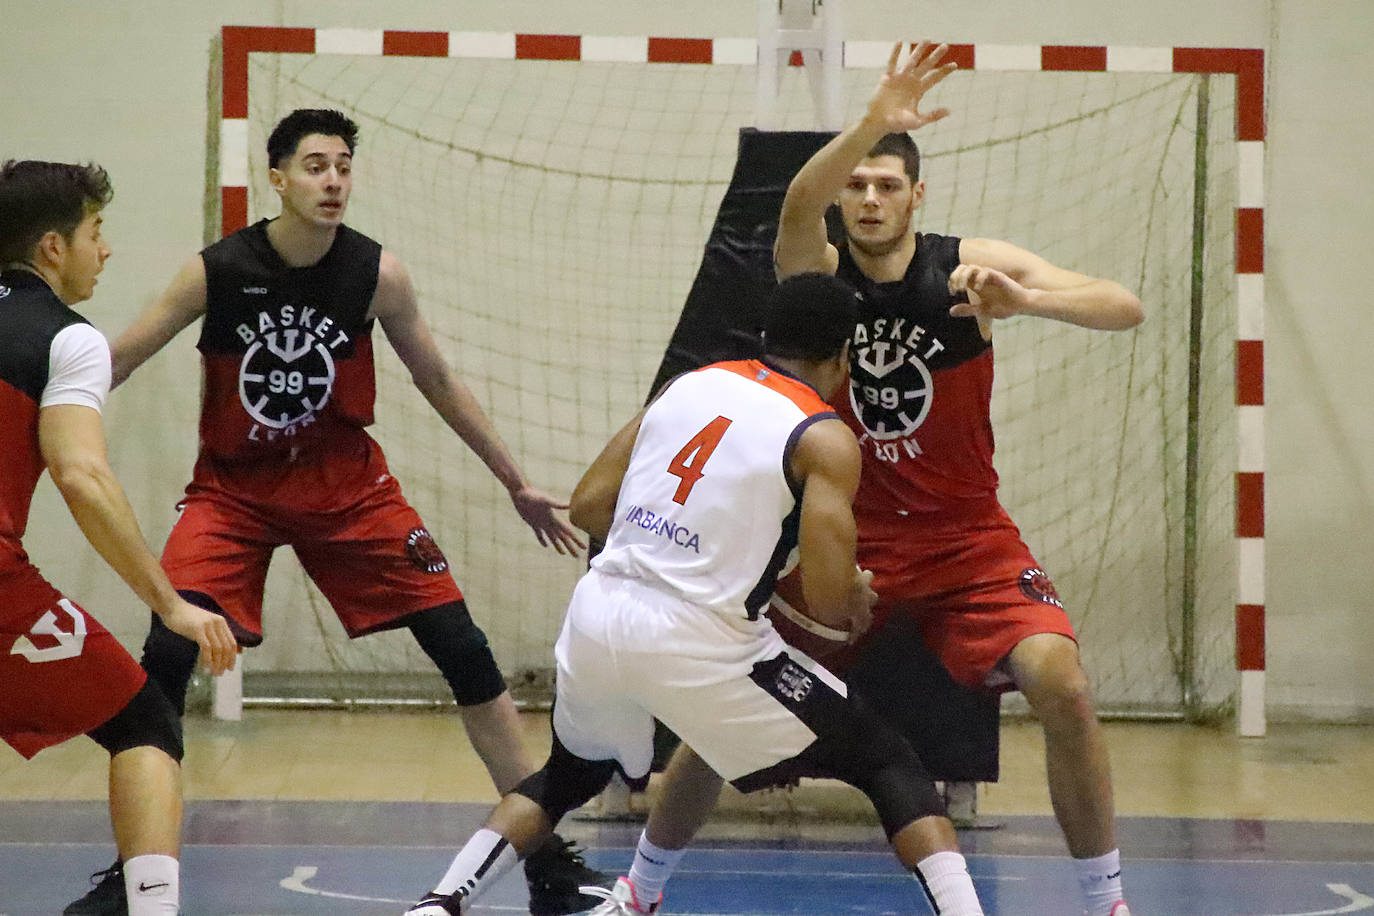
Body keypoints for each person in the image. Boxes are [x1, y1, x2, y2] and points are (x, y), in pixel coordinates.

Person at [633, 40, 1146, 916]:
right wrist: (874, 118)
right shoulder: (819, 273)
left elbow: (1121, 304)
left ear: (918, 196)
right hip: (846, 541)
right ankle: (637, 893)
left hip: (967, 541)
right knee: (727, 706)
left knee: (1062, 681)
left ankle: (1106, 901)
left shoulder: (967, 266)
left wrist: (1028, 304)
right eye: (858, 185)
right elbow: (797, 201)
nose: (870, 199)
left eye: (888, 185)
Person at [59, 110, 606, 916]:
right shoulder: (215, 271)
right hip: (233, 492)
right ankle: (134, 873)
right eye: (315, 166)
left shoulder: (377, 274)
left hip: (349, 490)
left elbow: (439, 381)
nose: (334, 181)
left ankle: (544, 854)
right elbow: (118, 359)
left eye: (344, 166)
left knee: (464, 647)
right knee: (163, 659)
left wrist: (514, 481)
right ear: (276, 177)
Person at [404, 272, 990, 916]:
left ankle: (441, 903)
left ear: (768, 335)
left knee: (563, 777)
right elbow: (826, 605)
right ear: (843, 358)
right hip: (701, 642)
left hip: (599, 617)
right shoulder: (824, 436)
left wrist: (683, 540)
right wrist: (850, 595)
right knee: (888, 762)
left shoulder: (690, 384)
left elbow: (590, 505)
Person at [0, 160, 239, 915]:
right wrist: (168, 602)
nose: (105, 251)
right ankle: (149, 908)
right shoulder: (68, 340)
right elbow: (83, 477)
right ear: (50, 248)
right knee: (144, 721)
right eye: (96, 233)